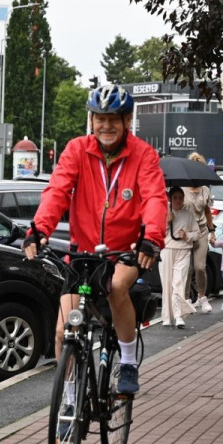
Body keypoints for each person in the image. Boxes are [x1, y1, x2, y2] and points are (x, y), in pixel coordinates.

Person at [23, 83, 167, 395]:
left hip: (124, 251)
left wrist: (151, 238)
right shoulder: (76, 149)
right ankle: (71, 398)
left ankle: (128, 362)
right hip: (84, 252)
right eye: (100, 118)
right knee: (64, 330)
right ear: (91, 121)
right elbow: (57, 190)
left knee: (116, 288)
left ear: (127, 121)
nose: (106, 125)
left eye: (113, 119)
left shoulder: (144, 155)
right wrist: (39, 230)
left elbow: (155, 198)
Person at [160, 187, 199, 329]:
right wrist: (166, 221)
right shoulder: (165, 212)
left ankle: (178, 316)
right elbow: (157, 232)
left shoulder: (189, 214)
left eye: (181, 198)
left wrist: (187, 235)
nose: (178, 201)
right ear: (170, 199)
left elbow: (197, 233)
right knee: (167, 284)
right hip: (167, 250)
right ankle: (166, 317)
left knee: (179, 283)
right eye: (175, 198)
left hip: (183, 251)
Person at [182, 152, 216, 313]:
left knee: (200, 267)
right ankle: (187, 298)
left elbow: (208, 212)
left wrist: (212, 231)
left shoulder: (205, 190)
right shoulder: (181, 189)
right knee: (187, 268)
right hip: (186, 234)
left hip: (201, 232)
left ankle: (202, 297)